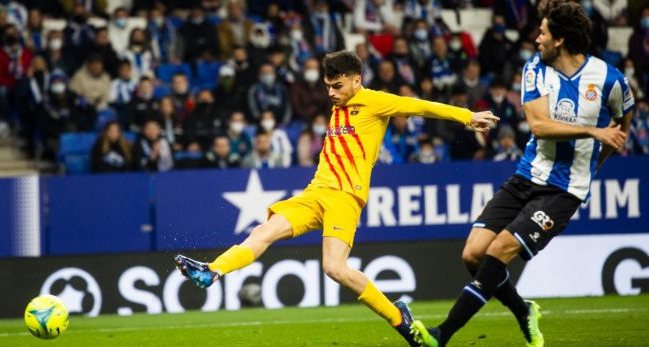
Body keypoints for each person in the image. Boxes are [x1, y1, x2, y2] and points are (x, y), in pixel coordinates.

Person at [174, 50, 498, 346]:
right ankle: (212, 271)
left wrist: (467, 116)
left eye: (337, 86)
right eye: (328, 86)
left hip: (345, 197)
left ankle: (399, 318)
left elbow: (420, 106)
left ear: (357, 80)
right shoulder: (337, 106)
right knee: (263, 231)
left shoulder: (375, 102)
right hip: (315, 192)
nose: (331, 93)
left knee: (334, 268)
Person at [412, 2, 634, 346]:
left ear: (559, 39)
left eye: (543, 33)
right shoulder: (535, 68)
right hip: (527, 176)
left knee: (498, 251)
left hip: (564, 191)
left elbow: (621, 126)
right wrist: (593, 132)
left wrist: (589, 169)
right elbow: (539, 126)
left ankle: (443, 334)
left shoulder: (609, 79)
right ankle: (523, 310)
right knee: (472, 255)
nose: (537, 38)